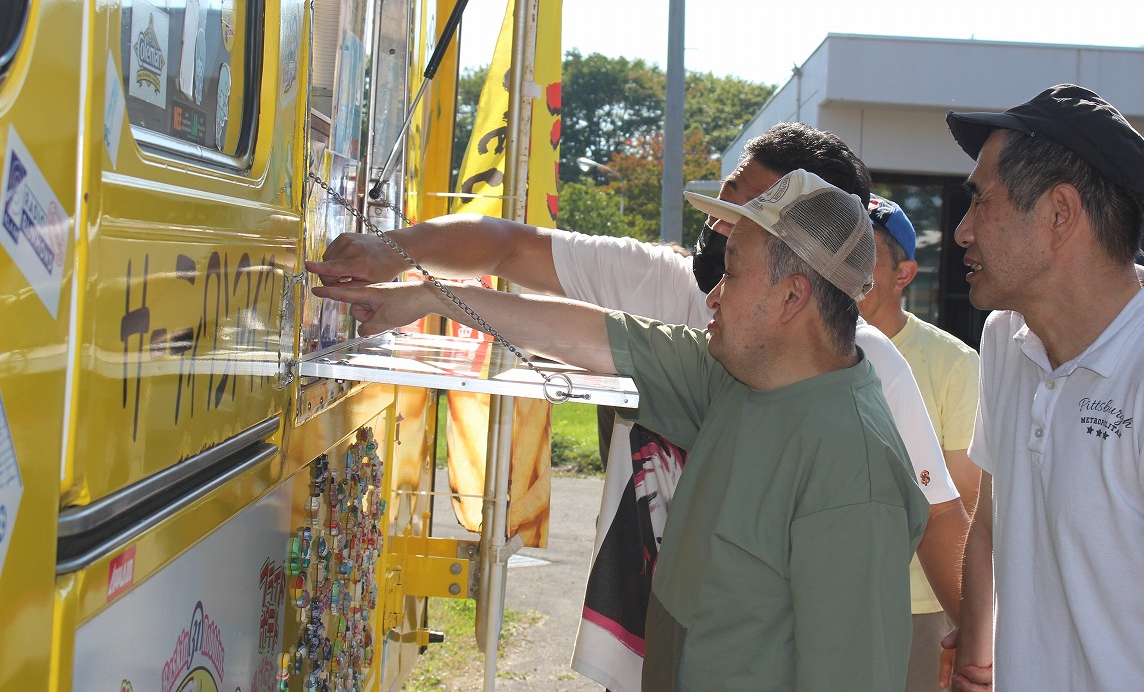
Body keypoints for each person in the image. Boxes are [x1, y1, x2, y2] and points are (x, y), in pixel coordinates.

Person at [307, 122, 970, 691]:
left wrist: (974, 645)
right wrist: (425, 296)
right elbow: (587, 334)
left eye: (731, 271)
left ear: (794, 298)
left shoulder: (852, 472)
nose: (710, 291)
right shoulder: (734, 371)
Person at [944, 84, 1144, 692]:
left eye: (980, 202)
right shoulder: (1005, 340)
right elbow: (991, 520)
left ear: (1061, 213)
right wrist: (974, 658)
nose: (962, 231)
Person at [858, 194, 980, 692]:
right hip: (816, 594)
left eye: (862, 254)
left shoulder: (954, 363)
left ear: (903, 275)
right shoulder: (806, 347)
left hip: (918, 606)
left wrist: (968, 617)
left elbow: (964, 504)